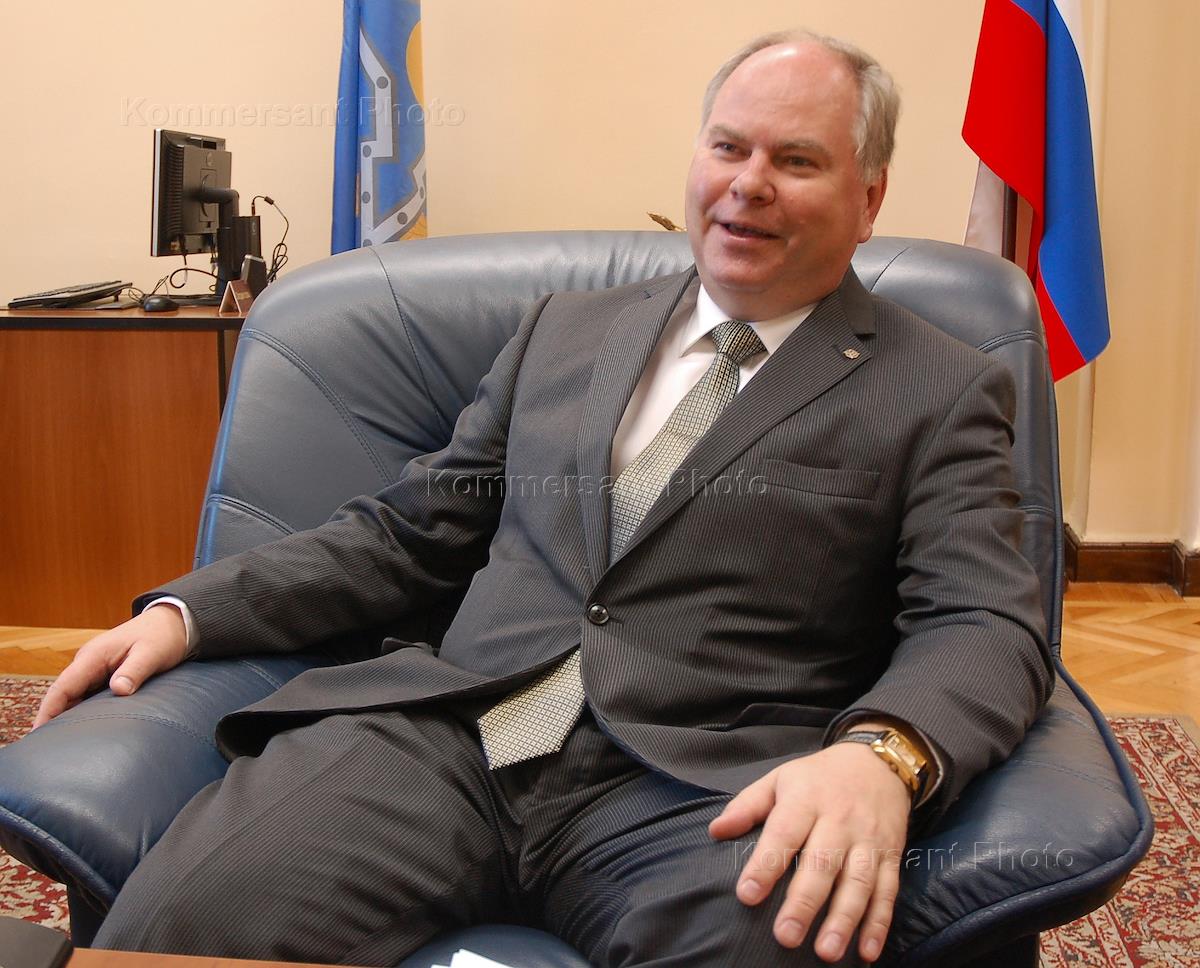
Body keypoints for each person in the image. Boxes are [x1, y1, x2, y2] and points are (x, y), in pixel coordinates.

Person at [35, 29, 1052, 968]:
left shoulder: (941, 387)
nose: (749, 184)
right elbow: (407, 534)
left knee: (787, 937)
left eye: (796, 160)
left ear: (869, 199)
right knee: (191, 918)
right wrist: (190, 611)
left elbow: (983, 618)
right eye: (728, 147)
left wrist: (881, 755)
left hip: (701, 790)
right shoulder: (564, 331)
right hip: (452, 738)